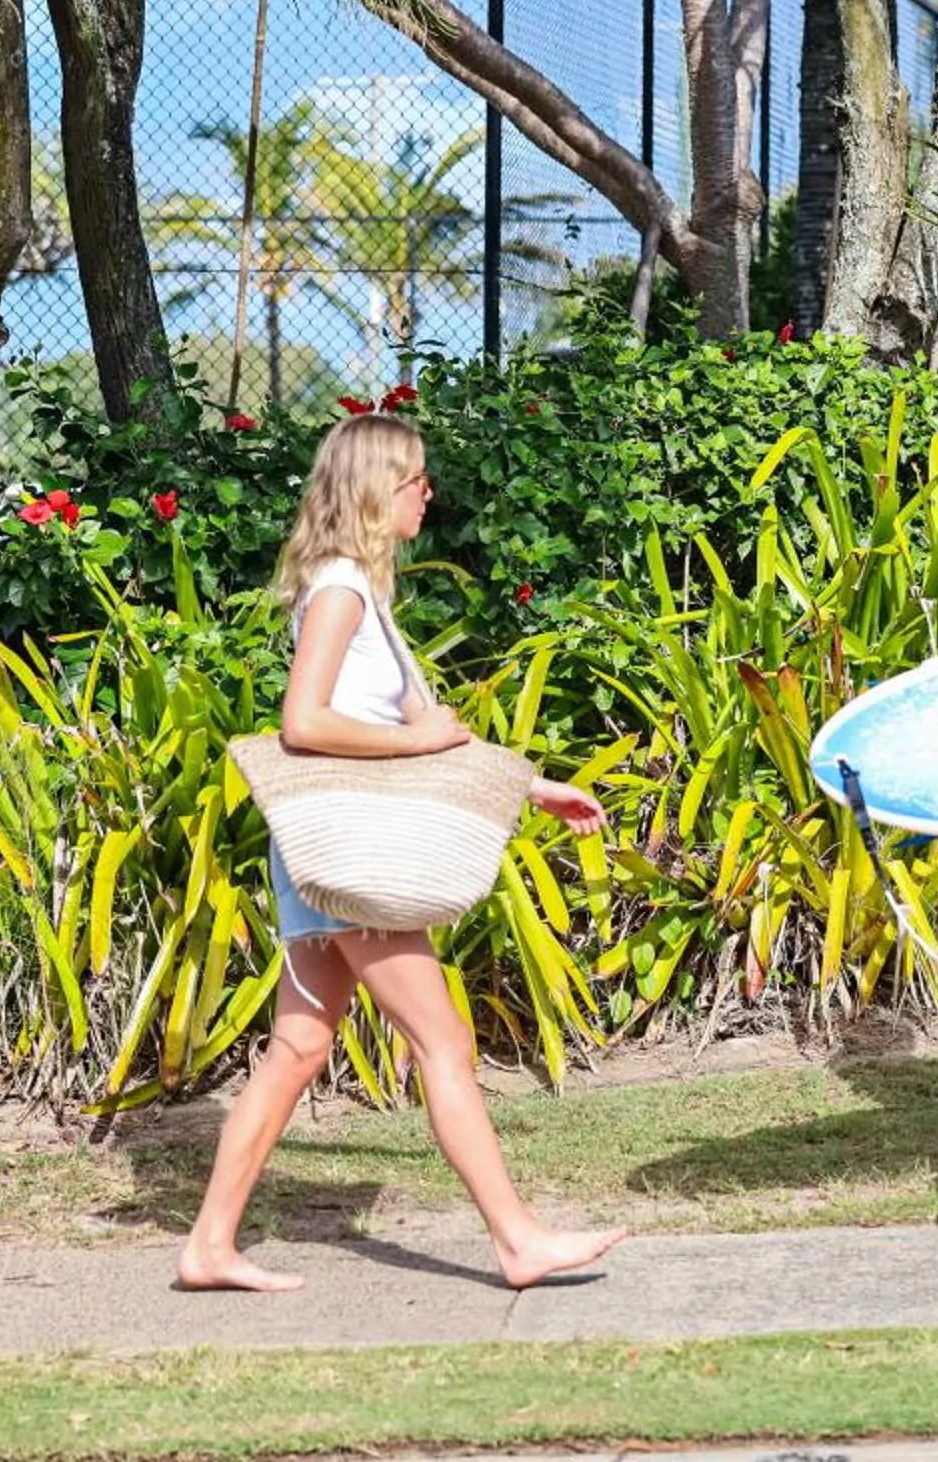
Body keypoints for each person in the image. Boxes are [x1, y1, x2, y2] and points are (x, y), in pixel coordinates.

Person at [177, 411, 630, 1294]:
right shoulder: (343, 587)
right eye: (418, 478)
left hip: (327, 852)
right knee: (443, 1039)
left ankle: (208, 1247)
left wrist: (528, 786)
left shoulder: (357, 591)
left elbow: (407, 727)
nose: (429, 493)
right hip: (351, 861)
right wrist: (422, 745)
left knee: (301, 1047)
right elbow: (304, 723)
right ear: (380, 489)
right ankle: (517, 1239)